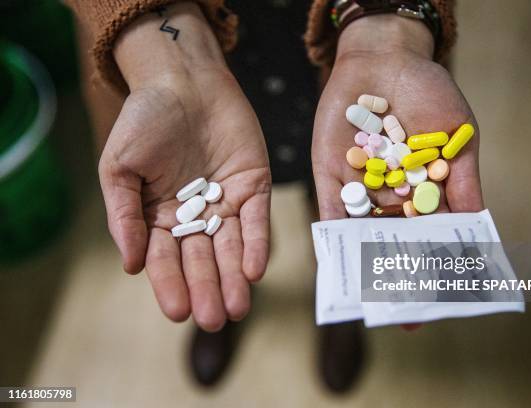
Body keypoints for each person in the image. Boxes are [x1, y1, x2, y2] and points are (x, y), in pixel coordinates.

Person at [66, 0, 482, 392]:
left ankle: (335, 295)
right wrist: (161, 53)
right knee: (233, 212)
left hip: (342, 39)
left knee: (336, 197)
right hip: (200, 47)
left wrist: (388, 26)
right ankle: (237, 292)